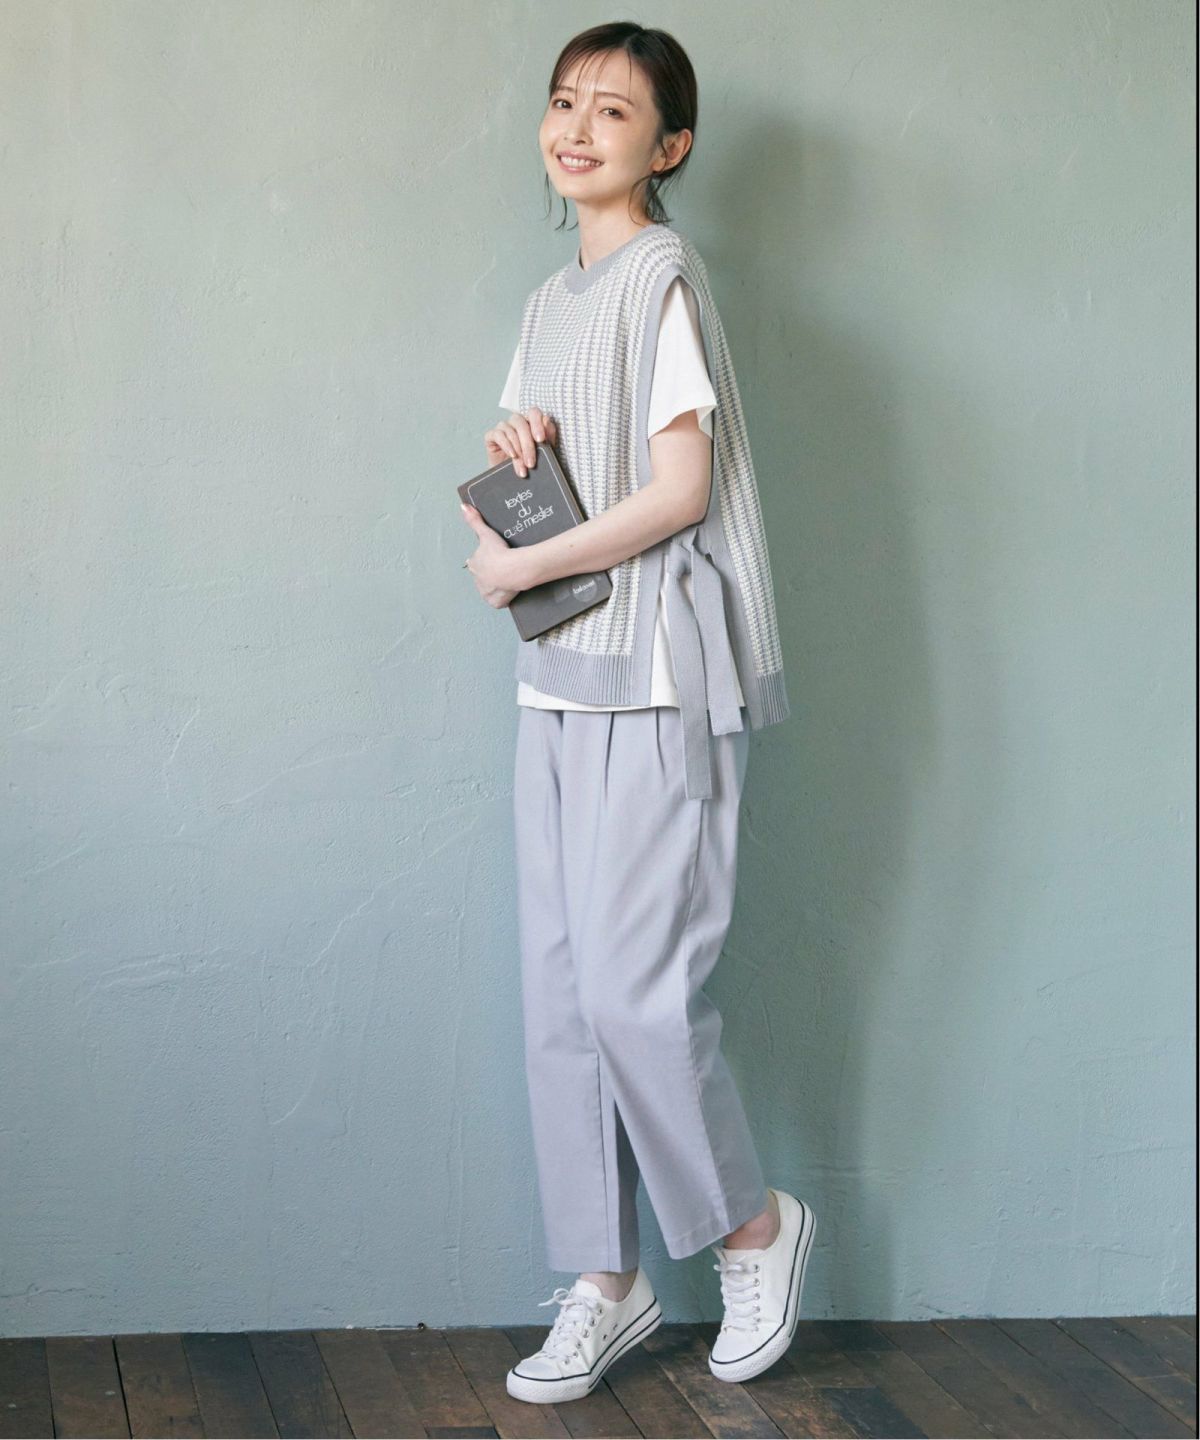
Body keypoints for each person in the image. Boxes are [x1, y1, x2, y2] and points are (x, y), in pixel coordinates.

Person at [460, 21, 816, 1406]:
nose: (577, 126)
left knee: (632, 990)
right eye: (564, 101)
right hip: (559, 672)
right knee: (563, 996)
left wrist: (523, 565)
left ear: (670, 146)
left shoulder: (663, 274)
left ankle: (754, 1230)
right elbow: (556, 460)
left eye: (614, 110)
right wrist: (520, 459)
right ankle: (606, 1284)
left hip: (660, 671)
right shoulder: (550, 302)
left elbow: (679, 491)